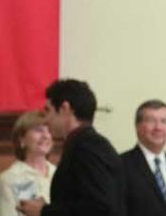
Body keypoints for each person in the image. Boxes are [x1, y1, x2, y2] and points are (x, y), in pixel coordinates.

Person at [18, 78, 127, 216]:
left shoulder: (86, 148)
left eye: (48, 110)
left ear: (65, 108)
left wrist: (44, 211)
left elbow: (99, 207)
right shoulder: (91, 144)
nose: (46, 119)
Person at [0, 111, 57, 216]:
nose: (45, 136)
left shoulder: (60, 173)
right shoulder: (10, 178)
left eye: (48, 131)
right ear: (22, 139)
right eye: (38, 130)